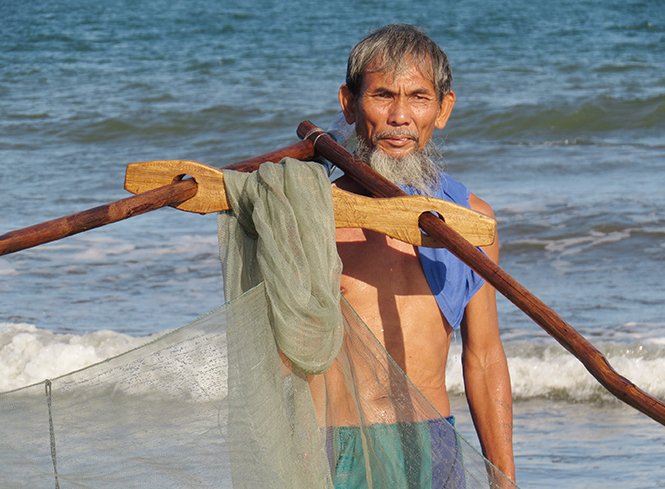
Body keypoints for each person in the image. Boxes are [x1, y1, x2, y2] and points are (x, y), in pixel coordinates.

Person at [331, 24, 515, 484]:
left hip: (434, 449)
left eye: (418, 96)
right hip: (338, 448)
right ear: (349, 104)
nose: (400, 116)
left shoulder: (469, 222)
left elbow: (485, 356)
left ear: (443, 109)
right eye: (382, 95)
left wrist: (504, 478)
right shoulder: (315, 215)